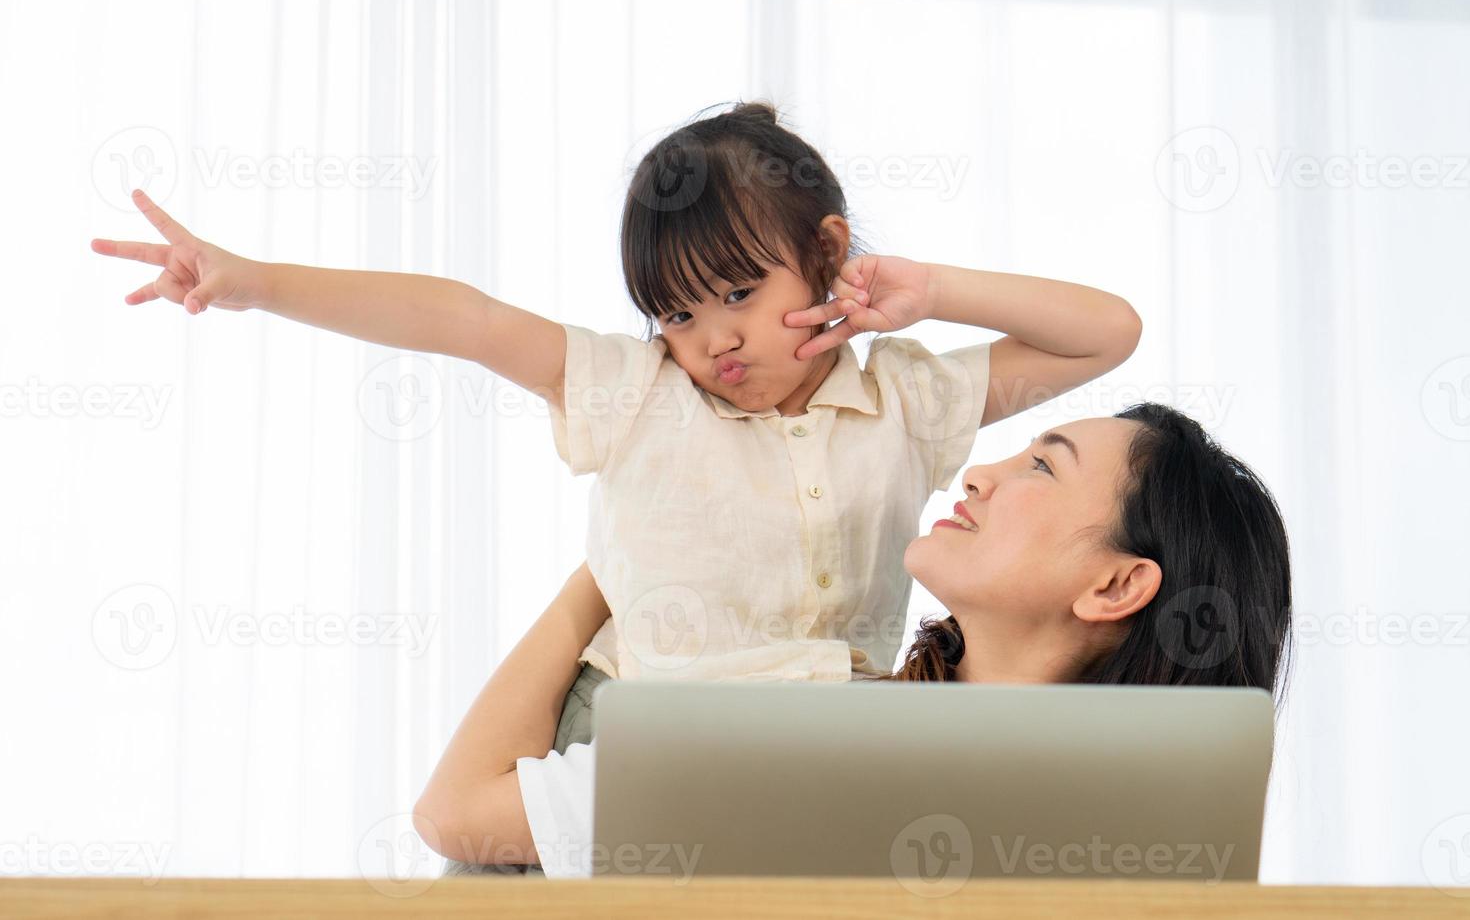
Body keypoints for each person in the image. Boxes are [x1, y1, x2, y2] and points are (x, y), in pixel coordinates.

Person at [90, 100, 1142, 689]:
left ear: (825, 254)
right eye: (677, 312)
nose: (712, 338)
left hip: (827, 740)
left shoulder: (904, 401)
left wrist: (934, 289)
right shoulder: (638, 395)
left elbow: (1109, 333)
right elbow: (464, 317)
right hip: (631, 729)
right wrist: (254, 283)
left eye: (739, 291)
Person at [416, 403, 1294, 876]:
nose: (978, 474)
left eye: (1040, 466)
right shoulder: (795, 720)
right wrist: (619, 561)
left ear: (1115, 585)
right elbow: (459, 817)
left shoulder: (1146, 840)